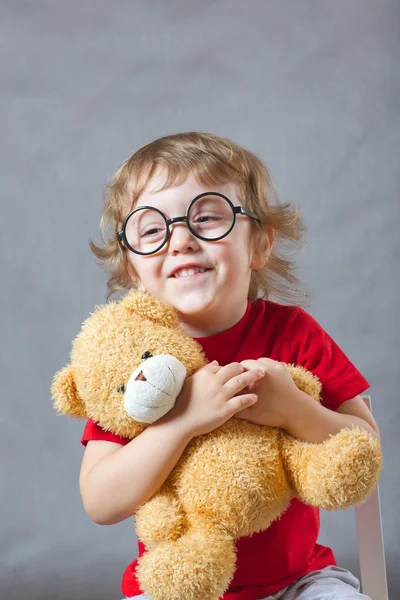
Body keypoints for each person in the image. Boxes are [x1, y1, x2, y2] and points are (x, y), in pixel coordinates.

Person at [79, 131, 379, 600]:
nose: (180, 241)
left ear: (259, 244)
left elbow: (366, 448)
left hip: (301, 582)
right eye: (153, 229)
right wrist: (181, 422)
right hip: (178, 586)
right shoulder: (133, 359)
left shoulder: (293, 334)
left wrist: (293, 410)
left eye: (208, 218)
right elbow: (100, 500)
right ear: (133, 269)